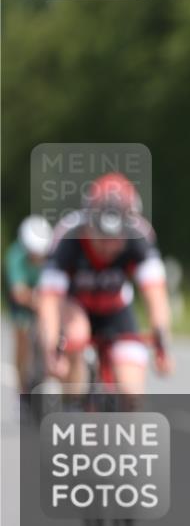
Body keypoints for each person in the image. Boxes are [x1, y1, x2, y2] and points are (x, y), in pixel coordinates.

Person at [37, 173, 173, 407]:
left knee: (132, 393)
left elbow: (156, 295)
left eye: (116, 239)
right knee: (77, 334)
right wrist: (52, 351)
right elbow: (48, 300)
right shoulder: (68, 236)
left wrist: (162, 345)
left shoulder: (140, 237)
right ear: (89, 224)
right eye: (101, 238)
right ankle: (72, 405)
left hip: (115, 307)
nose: (108, 248)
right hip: (74, 305)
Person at [4, 215, 54, 394]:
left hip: (44, 300)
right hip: (23, 305)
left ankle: (47, 370)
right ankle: (21, 384)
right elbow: (18, 293)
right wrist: (38, 302)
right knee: (22, 334)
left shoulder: (52, 255)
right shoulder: (15, 256)